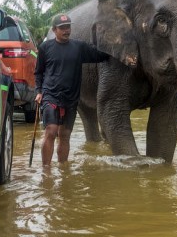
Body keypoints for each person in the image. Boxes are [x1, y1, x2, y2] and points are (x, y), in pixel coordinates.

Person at [33, 12, 116, 167]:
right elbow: (38, 72)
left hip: (71, 98)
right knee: (51, 131)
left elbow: (100, 55)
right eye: (62, 27)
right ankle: (46, 170)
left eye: (68, 27)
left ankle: (63, 169)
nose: (66, 30)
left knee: (64, 135)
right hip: (50, 95)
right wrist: (38, 91)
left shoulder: (79, 47)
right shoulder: (45, 48)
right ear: (54, 30)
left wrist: (116, 47)